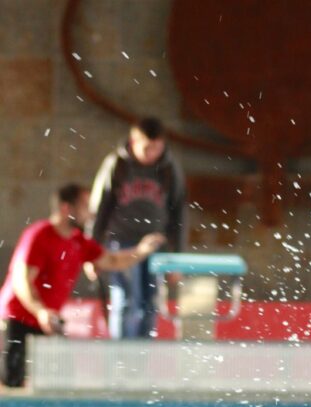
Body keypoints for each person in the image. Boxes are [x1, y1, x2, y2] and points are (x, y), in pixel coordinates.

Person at [0, 183, 165, 389]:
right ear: (66, 209)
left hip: (47, 320)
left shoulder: (79, 242)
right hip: (18, 317)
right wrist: (40, 311)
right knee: (11, 384)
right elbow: (22, 280)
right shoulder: (39, 235)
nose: (91, 212)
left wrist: (141, 250)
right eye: (85, 206)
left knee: (56, 384)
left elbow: (112, 261)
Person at [87, 115, 185, 339]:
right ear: (133, 142)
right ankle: (121, 360)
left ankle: (139, 360)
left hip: (155, 243)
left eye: (157, 148)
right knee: (127, 299)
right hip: (121, 241)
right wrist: (91, 251)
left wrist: (177, 257)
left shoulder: (170, 169)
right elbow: (99, 208)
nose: (151, 154)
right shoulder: (117, 164)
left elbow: (179, 213)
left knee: (150, 302)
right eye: (147, 148)